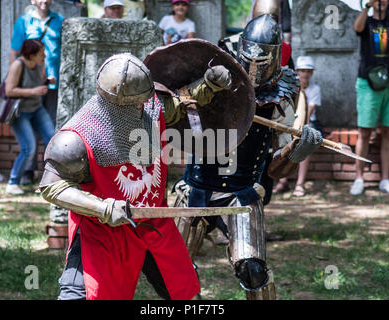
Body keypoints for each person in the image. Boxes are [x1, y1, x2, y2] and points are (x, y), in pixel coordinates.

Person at [38, 53, 233, 300]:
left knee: (185, 294)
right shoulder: (75, 138)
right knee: (77, 296)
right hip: (102, 232)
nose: (143, 106)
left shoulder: (150, 109)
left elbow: (178, 105)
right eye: (135, 103)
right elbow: (52, 188)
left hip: (154, 224)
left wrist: (208, 84)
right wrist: (103, 208)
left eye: (144, 100)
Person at [176, 0, 323, 300]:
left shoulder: (283, 94)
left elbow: (273, 168)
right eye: (250, 60)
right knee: (174, 270)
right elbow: (175, 111)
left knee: (253, 271)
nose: (254, 70)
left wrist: (296, 152)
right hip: (196, 188)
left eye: (262, 62)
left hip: (241, 194)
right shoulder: (216, 71)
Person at [351, 0, 389, 196]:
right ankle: (358, 177)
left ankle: (385, 179)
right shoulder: (366, 21)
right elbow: (356, 27)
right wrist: (368, 6)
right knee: (364, 131)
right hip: (368, 82)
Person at [10, 0, 64, 184]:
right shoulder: (23, 21)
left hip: (52, 85)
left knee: (51, 129)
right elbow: (15, 51)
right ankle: (27, 171)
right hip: (29, 85)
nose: (44, 1)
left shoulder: (60, 21)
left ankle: (50, 171)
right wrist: (14, 77)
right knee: (30, 128)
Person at [5, 39, 55, 195]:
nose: (44, 56)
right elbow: (9, 91)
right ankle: (13, 182)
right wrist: (34, 91)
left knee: (53, 141)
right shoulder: (17, 65)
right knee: (29, 148)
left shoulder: (40, 64)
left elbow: (39, 82)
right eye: (41, 53)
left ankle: (49, 182)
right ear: (32, 55)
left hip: (37, 108)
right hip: (20, 113)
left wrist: (47, 81)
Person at [273, 56, 323, 196]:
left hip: (308, 123)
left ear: (311, 73)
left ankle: (300, 184)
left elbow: (308, 111)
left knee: (305, 144)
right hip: (289, 123)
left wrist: (301, 130)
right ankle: (283, 181)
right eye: (302, 71)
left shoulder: (315, 89)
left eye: (308, 71)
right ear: (297, 71)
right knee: (283, 144)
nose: (305, 74)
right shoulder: (289, 87)